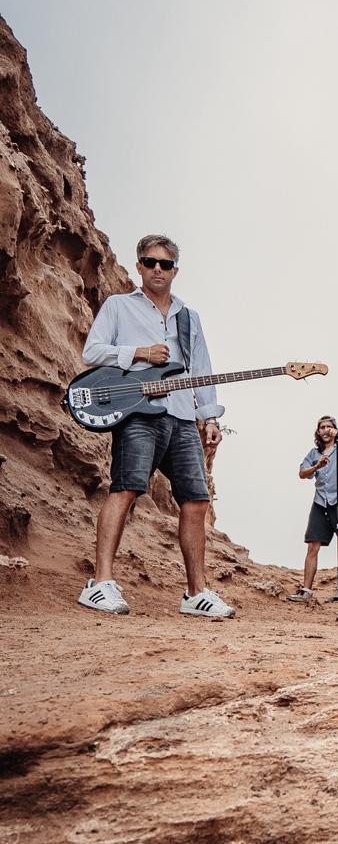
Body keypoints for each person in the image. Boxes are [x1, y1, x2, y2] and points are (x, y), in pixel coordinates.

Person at [76, 235, 234, 619]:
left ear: (175, 270)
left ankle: (196, 593)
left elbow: (201, 368)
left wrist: (210, 417)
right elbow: (92, 351)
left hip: (182, 416)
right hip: (138, 413)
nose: (157, 270)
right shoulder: (119, 306)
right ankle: (100, 583)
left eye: (165, 264)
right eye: (149, 262)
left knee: (196, 499)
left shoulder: (188, 317)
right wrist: (139, 353)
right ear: (139, 267)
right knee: (126, 489)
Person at [288, 415, 338, 602]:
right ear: (318, 431)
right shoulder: (314, 453)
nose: (325, 430)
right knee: (312, 546)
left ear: (334, 429)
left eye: (328, 427)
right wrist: (317, 466)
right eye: (322, 427)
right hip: (320, 501)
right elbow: (302, 473)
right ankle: (306, 590)